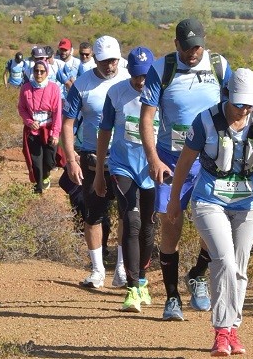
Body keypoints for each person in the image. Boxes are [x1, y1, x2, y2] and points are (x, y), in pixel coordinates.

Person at [166, 68, 253, 356]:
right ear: (227, 96)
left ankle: (233, 329)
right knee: (224, 261)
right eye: (237, 103)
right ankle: (221, 331)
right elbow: (183, 163)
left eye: (248, 104)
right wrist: (174, 200)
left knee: (240, 269)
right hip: (209, 200)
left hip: (248, 203)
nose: (242, 110)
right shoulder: (206, 121)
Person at [139, 18, 232, 321]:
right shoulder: (161, 68)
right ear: (176, 44)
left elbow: (235, 108)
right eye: (187, 46)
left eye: (198, 46)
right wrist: (153, 158)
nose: (193, 52)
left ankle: (197, 275)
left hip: (209, 161)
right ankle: (172, 297)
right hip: (171, 159)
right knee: (171, 224)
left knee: (212, 226)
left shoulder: (218, 66)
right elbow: (147, 116)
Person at [61, 35, 131, 289]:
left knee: (127, 214)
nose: (109, 66)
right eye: (104, 61)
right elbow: (67, 123)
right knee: (93, 214)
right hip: (91, 158)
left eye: (113, 61)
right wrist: (71, 159)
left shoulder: (128, 79)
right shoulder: (82, 84)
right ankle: (97, 269)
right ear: (96, 60)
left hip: (123, 157)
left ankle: (122, 269)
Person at [93, 46, 157, 312]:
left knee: (149, 227)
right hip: (123, 167)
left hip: (152, 169)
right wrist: (99, 171)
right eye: (136, 75)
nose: (141, 81)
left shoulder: (160, 94)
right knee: (131, 222)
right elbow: (104, 132)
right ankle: (131, 289)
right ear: (128, 71)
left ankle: (142, 281)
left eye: (145, 75)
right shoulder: (116, 93)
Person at [18, 59, 63, 193]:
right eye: (36, 71)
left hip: (48, 129)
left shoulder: (53, 88)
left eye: (42, 71)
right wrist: (29, 122)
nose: (39, 74)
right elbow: (21, 108)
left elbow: (57, 112)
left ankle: (46, 175)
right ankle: (38, 186)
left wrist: (55, 133)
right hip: (33, 130)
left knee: (49, 160)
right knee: (36, 160)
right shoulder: (26, 88)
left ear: (47, 72)